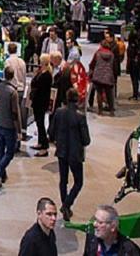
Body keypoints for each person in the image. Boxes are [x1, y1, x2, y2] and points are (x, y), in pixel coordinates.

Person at [49, 88, 91, 221]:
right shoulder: (80, 116)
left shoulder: (59, 112)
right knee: (78, 182)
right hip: (75, 154)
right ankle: (67, 205)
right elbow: (86, 140)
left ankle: (65, 205)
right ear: (77, 99)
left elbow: (51, 131)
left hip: (61, 151)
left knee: (63, 180)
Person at [0, 67, 21, 187]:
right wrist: (19, 130)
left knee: (0, 149)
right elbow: (15, 112)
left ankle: (2, 174)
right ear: (13, 76)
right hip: (9, 125)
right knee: (10, 152)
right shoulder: (12, 92)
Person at [30, 54, 53, 156]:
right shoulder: (41, 72)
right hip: (37, 101)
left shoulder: (47, 75)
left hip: (41, 102)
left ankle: (44, 146)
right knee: (38, 123)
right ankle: (40, 142)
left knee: (41, 123)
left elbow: (39, 86)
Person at [89, 39, 116, 115]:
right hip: (108, 76)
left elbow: (92, 63)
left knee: (99, 93)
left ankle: (100, 111)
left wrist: (91, 70)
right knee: (109, 94)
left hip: (98, 75)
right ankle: (111, 111)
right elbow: (114, 66)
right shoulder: (111, 54)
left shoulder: (97, 53)